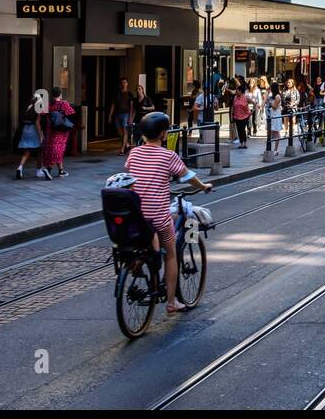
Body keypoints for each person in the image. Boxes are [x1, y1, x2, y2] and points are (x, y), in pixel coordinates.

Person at [125, 111, 213, 316]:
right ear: (164, 134)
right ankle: (172, 303)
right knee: (171, 253)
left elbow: (132, 175)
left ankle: (138, 262)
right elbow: (188, 176)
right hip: (157, 216)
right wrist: (203, 186)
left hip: (137, 217)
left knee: (151, 236)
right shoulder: (168, 155)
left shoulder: (134, 153)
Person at [43, 87, 76, 178]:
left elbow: (42, 114)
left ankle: (61, 170)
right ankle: (48, 169)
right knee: (58, 150)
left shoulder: (49, 104)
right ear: (60, 94)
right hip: (61, 130)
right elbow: (71, 114)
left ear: (52, 95)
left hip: (51, 130)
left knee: (52, 149)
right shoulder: (64, 103)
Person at [15, 92, 45, 180]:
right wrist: (41, 135)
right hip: (33, 130)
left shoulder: (27, 107)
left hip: (25, 129)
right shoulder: (38, 109)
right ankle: (39, 171)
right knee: (39, 151)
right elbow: (37, 123)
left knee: (27, 151)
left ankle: (20, 168)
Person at [108, 78, 134, 153]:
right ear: (120, 84)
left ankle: (122, 149)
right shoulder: (117, 93)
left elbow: (131, 106)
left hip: (126, 113)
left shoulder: (130, 93)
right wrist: (110, 115)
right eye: (122, 83)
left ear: (127, 84)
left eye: (125, 82)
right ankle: (127, 144)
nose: (123, 84)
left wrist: (130, 117)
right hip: (117, 114)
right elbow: (113, 104)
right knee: (119, 132)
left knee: (125, 131)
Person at [230, 79, 251, 148]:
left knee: (242, 130)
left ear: (241, 91)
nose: (236, 91)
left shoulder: (245, 97)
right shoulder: (235, 98)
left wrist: (251, 111)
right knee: (239, 130)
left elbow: (254, 102)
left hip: (244, 116)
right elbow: (233, 107)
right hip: (236, 116)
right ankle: (241, 143)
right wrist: (231, 116)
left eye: (237, 90)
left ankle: (244, 143)